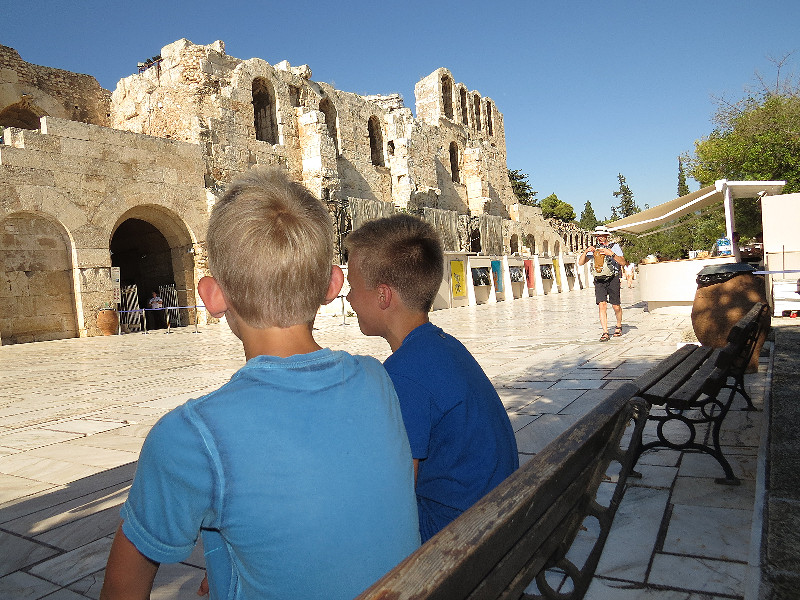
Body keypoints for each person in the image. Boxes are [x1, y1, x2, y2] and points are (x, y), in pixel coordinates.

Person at [100, 168, 420, 600]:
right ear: (332, 285)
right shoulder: (376, 379)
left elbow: (123, 586)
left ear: (212, 296)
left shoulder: (190, 437)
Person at [343, 214, 519, 543]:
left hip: (456, 540)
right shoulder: (444, 346)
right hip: (495, 520)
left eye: (353, 287)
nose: (349, 298)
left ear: (383, 296)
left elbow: (393, 497)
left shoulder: (404, 376)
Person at [578, 225, 626, 342]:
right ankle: (605, 332)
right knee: (602, 305)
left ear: (606, 236)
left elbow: (623, 262)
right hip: (599, 279)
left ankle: (618, 325)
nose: (599, 237)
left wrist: (611, 254)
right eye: (597, 235)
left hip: (613, 278)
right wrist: (586, 252)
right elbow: (580, 263)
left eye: (601, 235)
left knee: (616, 306)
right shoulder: (595, 249)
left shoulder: (614, 247)